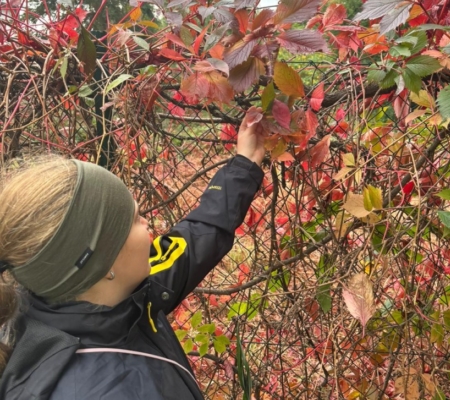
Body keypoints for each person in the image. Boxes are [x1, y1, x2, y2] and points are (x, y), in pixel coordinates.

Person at [0, 107, 265, 400]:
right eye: (135, 220)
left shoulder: (86, 296)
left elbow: (193, 242)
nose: (147, 223)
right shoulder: (102, 389)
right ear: (106, 264)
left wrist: (244, 166)